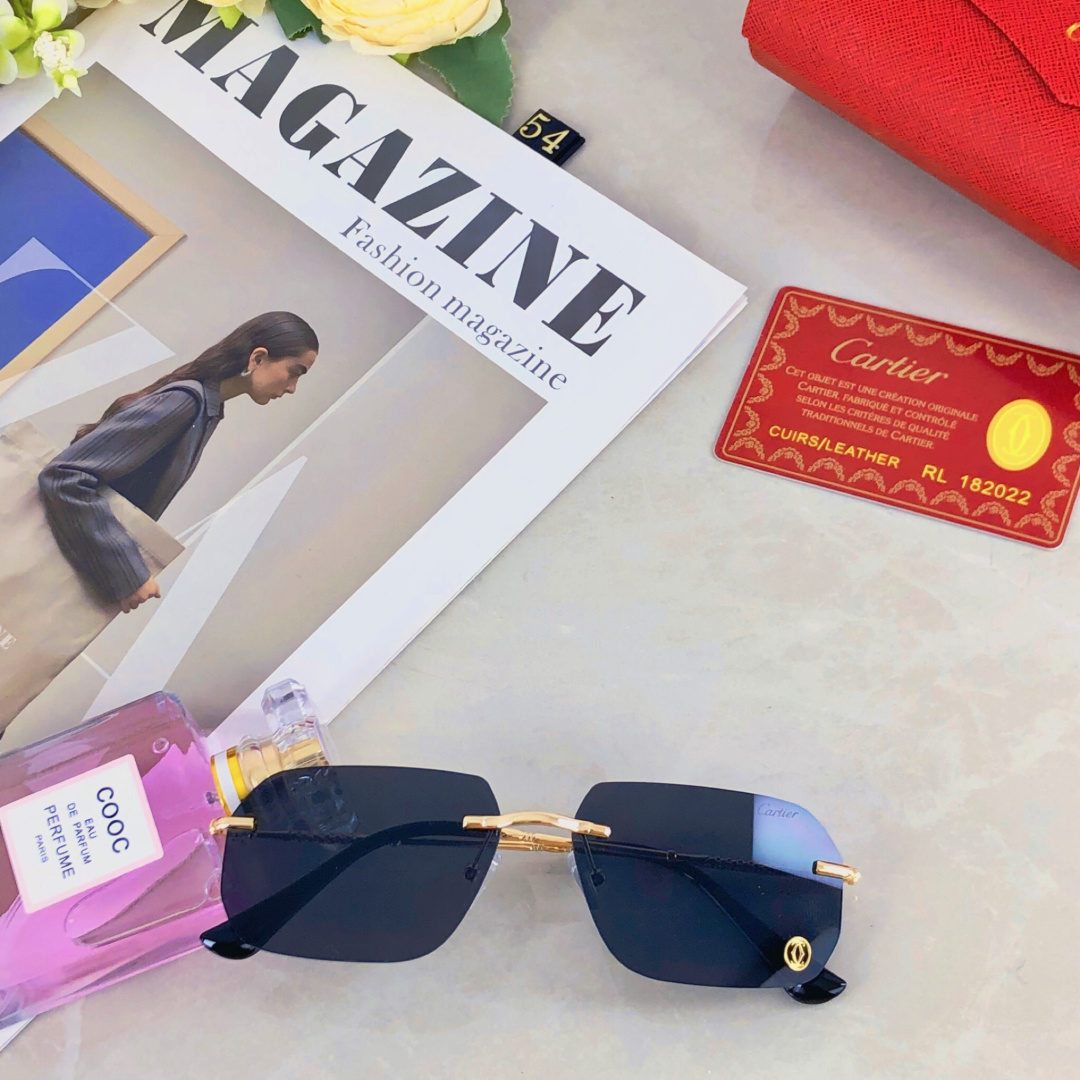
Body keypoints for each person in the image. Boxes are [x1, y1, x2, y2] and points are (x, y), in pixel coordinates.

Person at [39, 312, 319, 614]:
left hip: (62, 567)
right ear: (258, 358)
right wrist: (129, 574)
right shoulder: (185, 403)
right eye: (294, 372)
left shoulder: (203, 410)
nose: (293, 387)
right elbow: (65, 475)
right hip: (50, 568)